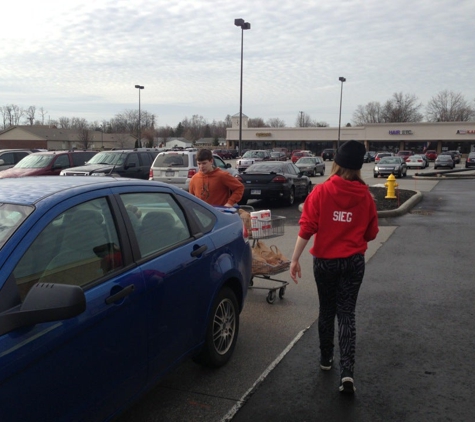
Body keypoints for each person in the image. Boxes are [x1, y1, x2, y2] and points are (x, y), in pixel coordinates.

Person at [290, 140, 379, 394]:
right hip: (353, 262)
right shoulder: (365, 196)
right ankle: (347, 373)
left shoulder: (321, 192)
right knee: (347, 314)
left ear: (336, 163)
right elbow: (372, 233)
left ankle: (326, 359)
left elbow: (307, 227)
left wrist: (294, 259)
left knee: (327, 310)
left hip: (325, 262)